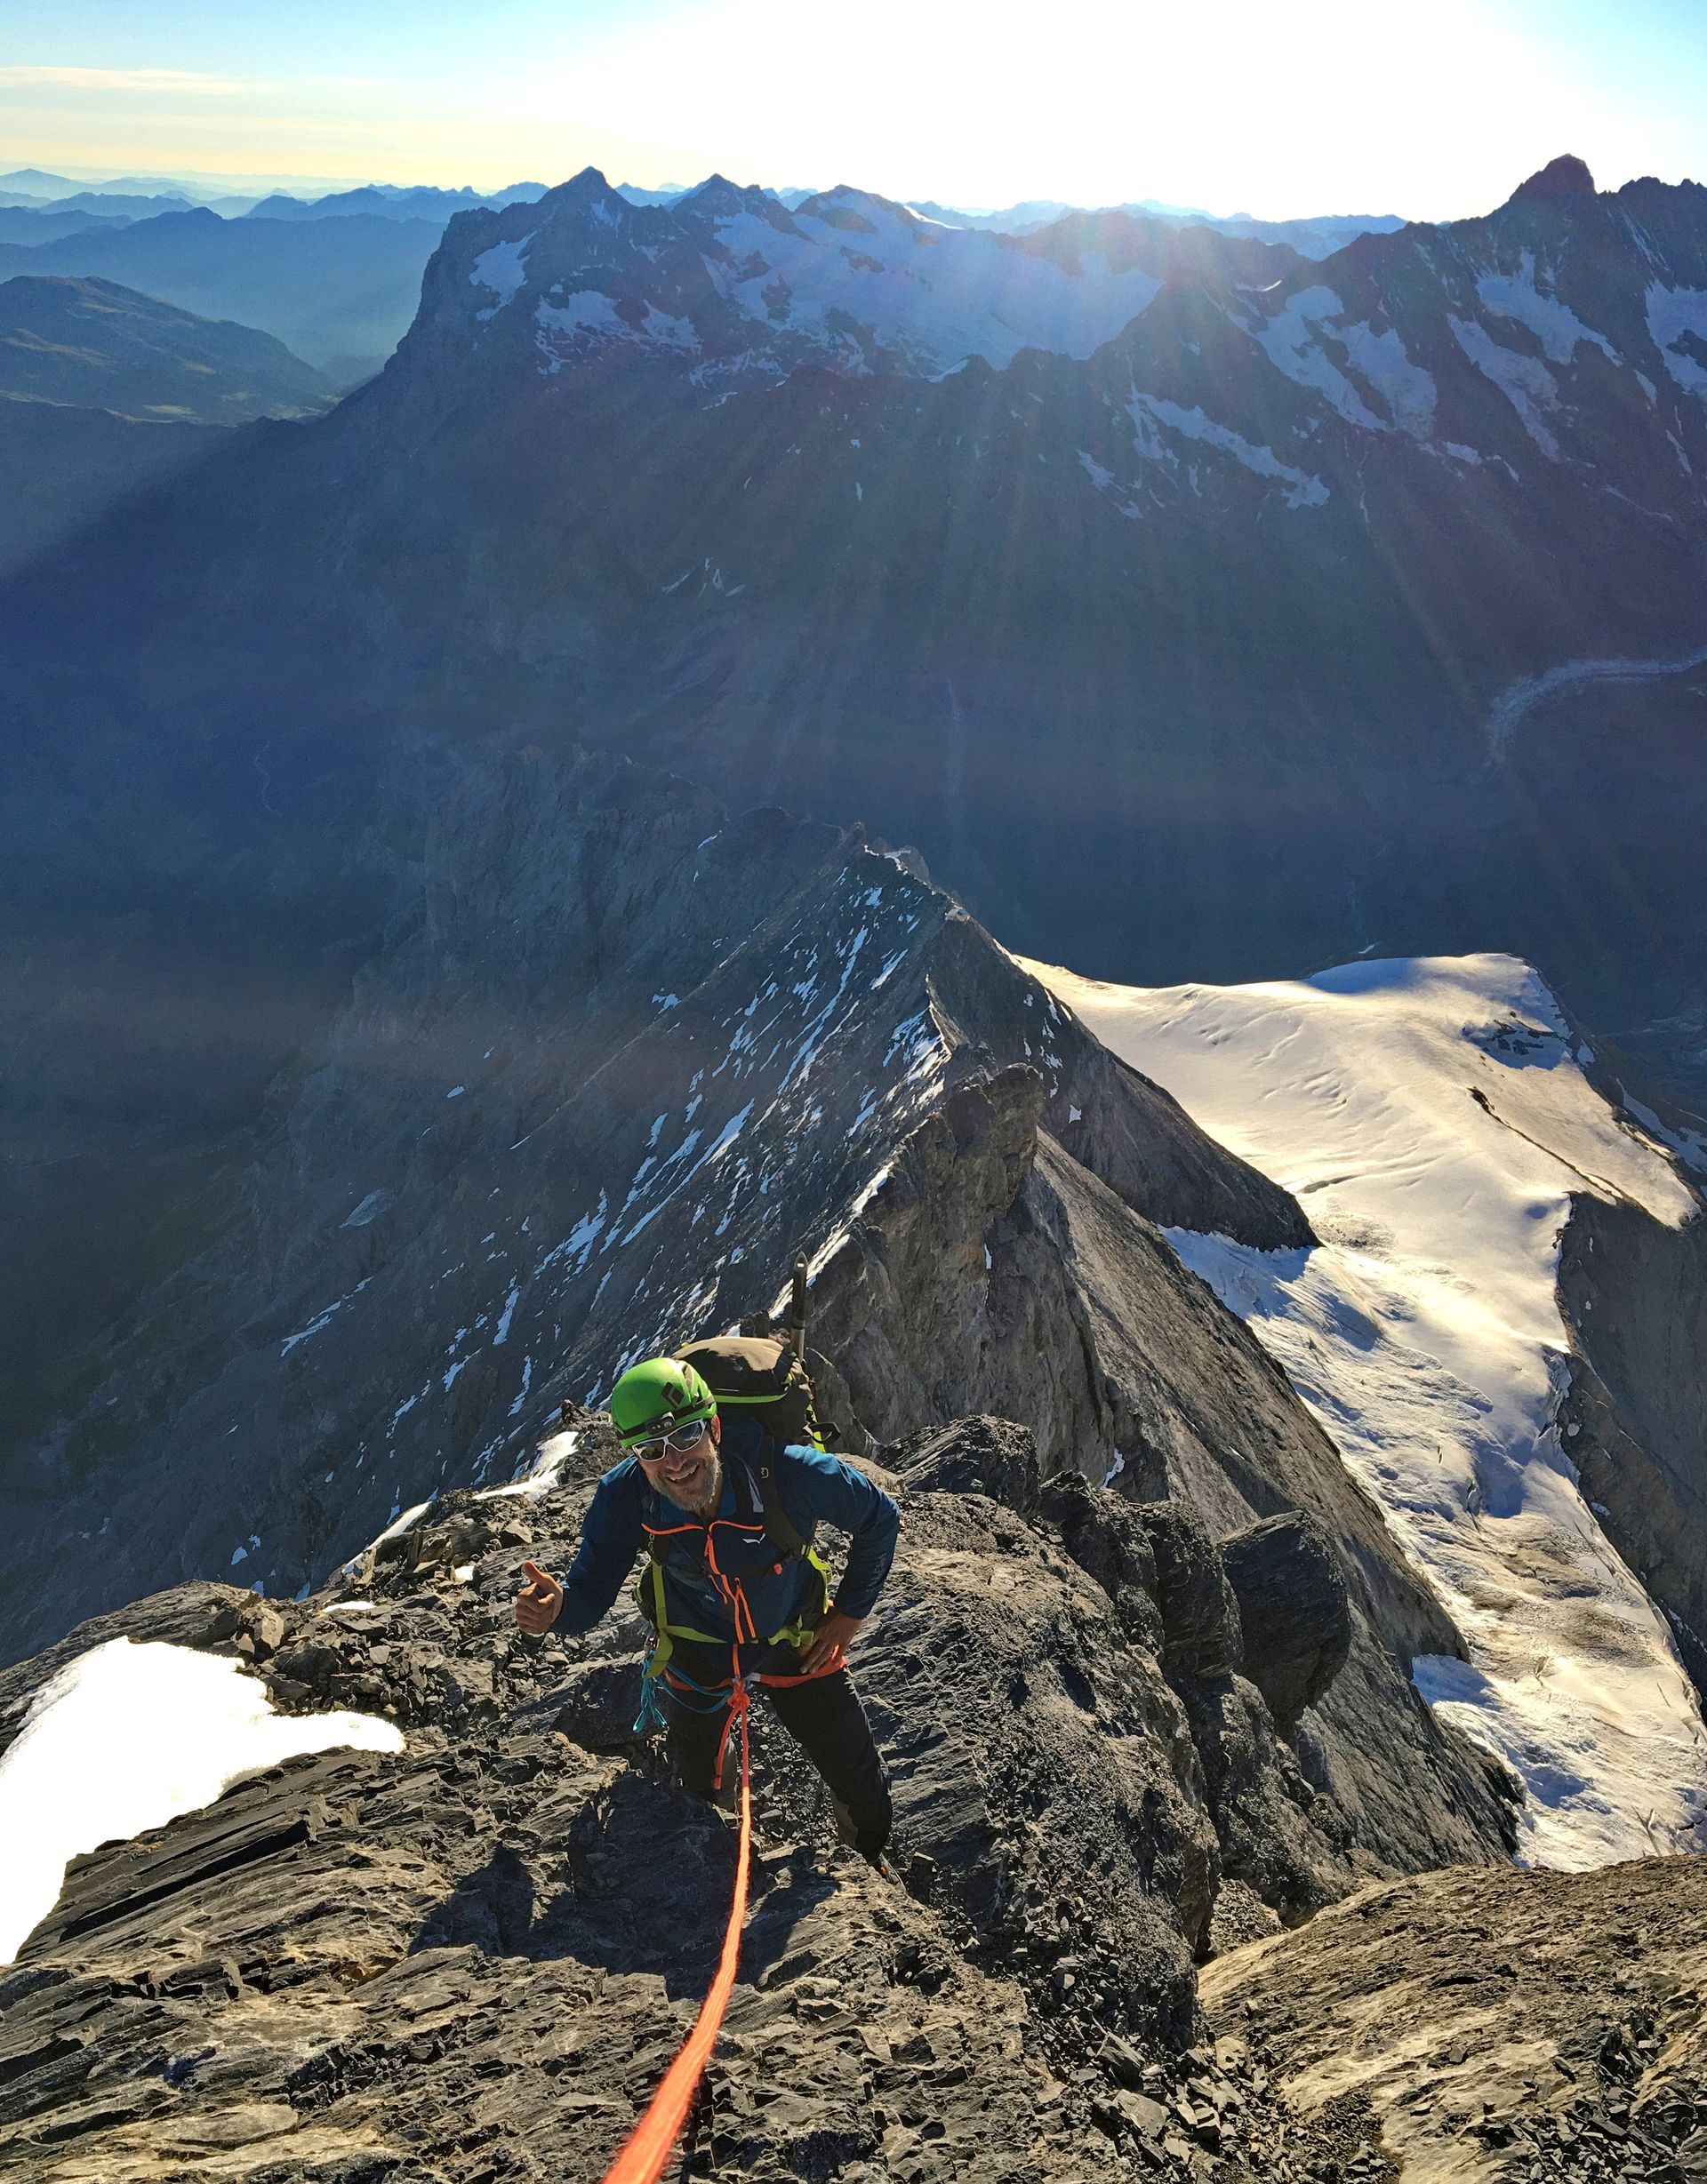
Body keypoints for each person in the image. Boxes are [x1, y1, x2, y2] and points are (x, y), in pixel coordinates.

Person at [515, 1355, 900, 1865]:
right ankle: (716, 1847)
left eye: (685, 1436)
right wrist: (558, 1608)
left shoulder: (792, 1474)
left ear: (714, 1426)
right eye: (651, 1449)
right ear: (633, 1455)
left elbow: (880, 1519)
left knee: (861, 1784)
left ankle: (869, 1865)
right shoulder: (626, 1496)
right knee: (696, 1783)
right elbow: (588, 1593)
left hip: (794, 1638)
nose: (674, 1463)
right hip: (697, 1649)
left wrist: (849, 1613)